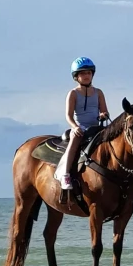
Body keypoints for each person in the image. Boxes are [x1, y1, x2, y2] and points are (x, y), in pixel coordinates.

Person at [55, 56, 110, 190]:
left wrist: (104, 115)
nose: (86, 76)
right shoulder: (73, 93)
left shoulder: (98, 92)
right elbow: (68, 116)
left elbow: (104, 111)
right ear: (76, 76)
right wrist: (75, 127)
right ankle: (65, 174)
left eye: (89, 73)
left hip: (96, 127)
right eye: (83, 73)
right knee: (75, 137)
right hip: (80, 127)